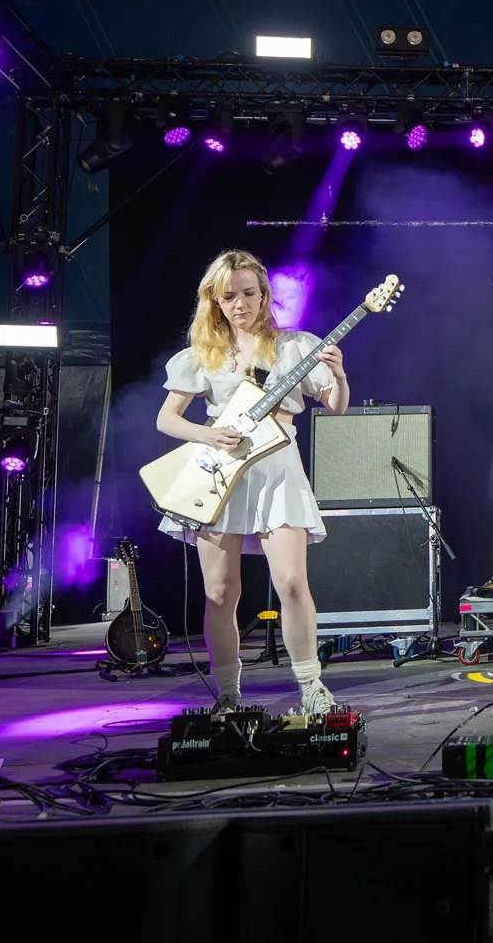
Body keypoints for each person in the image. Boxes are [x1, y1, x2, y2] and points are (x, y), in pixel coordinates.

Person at [155, 250, 347, 714]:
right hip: (220, 469)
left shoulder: (296, 346)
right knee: (220, 591)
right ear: (215, 301)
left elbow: (335, 405)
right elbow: (167, 419)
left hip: (278, 470)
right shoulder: (202, 354)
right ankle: (228, 694)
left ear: (264, 295)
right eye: (229, 296)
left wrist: (338, 374)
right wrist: (208, 432)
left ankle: (311, 688)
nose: (240, 303)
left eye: (248, 293)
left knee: (293, 583)